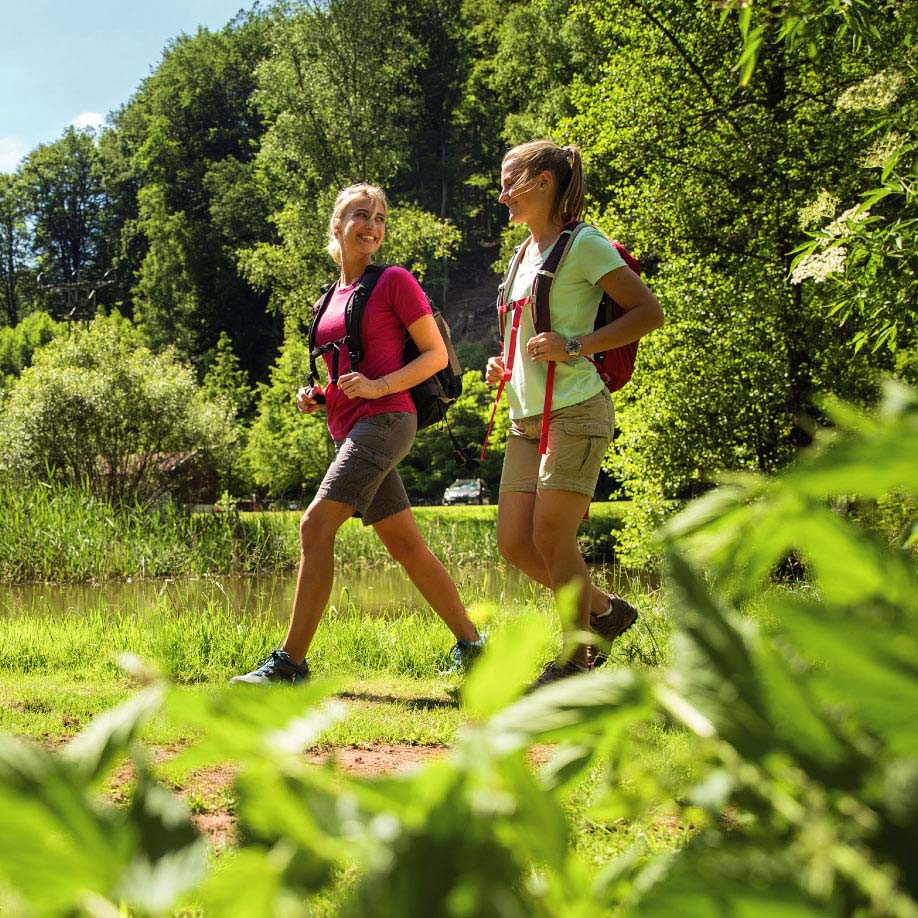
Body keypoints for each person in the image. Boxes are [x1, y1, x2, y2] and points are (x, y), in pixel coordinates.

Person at [232, 183, 484, 684]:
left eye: (380, 217)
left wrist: (378, 387)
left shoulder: (394, 281)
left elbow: (435, 355)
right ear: (337, 225)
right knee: (406, 545)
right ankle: (474, 646)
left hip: (387, 419)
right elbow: (347, 373)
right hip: (351, 427)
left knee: (314, 527)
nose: (372, 225)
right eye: (361, 215)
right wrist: (320, 396)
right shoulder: (330, 298)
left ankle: (290, 665)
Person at [485, 140, 664, 687]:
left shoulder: (584, 244)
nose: (502, 195)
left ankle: (575, 662)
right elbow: (527, 331)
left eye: (510, 183)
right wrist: (503, 363)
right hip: (525, 417)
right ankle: (606, 612)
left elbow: (649, 312)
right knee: (515, 543)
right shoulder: (522, 254)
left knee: (551, 538)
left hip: (577, 411)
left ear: (544, 182)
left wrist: (575, 345)